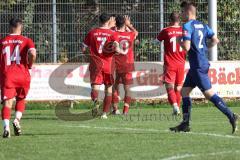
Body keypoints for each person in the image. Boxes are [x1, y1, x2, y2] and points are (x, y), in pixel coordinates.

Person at [170, 2, 238, 133]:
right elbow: (215, 40)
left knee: (209, 94)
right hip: (198, 64)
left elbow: (186, 47)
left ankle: (231, 115)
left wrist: (179, 40)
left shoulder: (187, 26)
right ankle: (185, 124)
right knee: (184, 91)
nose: (181, 15)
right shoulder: (203, 25)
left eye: (182, 12)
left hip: (198, 67)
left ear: (188, 12)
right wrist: (204, 49)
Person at [82, 13, 124, 119]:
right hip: (108, 65)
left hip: (96, 64)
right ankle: (104, 113)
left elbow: (83, 49)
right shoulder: (113, 34)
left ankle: (96, 102)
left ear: (99, 20)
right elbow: (116, 48)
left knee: (95, 86)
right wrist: (121, 52)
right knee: (108, 89)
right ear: (108, 21)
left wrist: (88, 56)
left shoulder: (92, 33)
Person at [0, 18, 37, 138]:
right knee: (21, 99)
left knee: (7, 103)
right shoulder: (27, 40)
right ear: (21, 27)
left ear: (9, 27)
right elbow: (32, 54)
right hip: (23, 74)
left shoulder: (2, 41)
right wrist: (30, 65)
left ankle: (6, 127)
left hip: (8, 75)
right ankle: (16, 120)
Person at [156, 12, 186, 115]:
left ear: (170, 20)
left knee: (169, 87)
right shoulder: (184, 30)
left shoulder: (166, 30)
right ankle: (177, 108)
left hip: (170, 63)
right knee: (178, 87)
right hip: (181, 63)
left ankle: (175, 107)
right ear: (179, 20)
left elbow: (156, 41)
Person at [112, 15, 138, 115]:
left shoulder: (113, 34)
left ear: (116, 23)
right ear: (124, 23)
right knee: (127, 88)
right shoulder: (131, 34)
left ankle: (115, 109)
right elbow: (136, 33)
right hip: (128, 64)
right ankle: (125, 111)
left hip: (115, 63)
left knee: (115, 86)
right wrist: (129, 25)